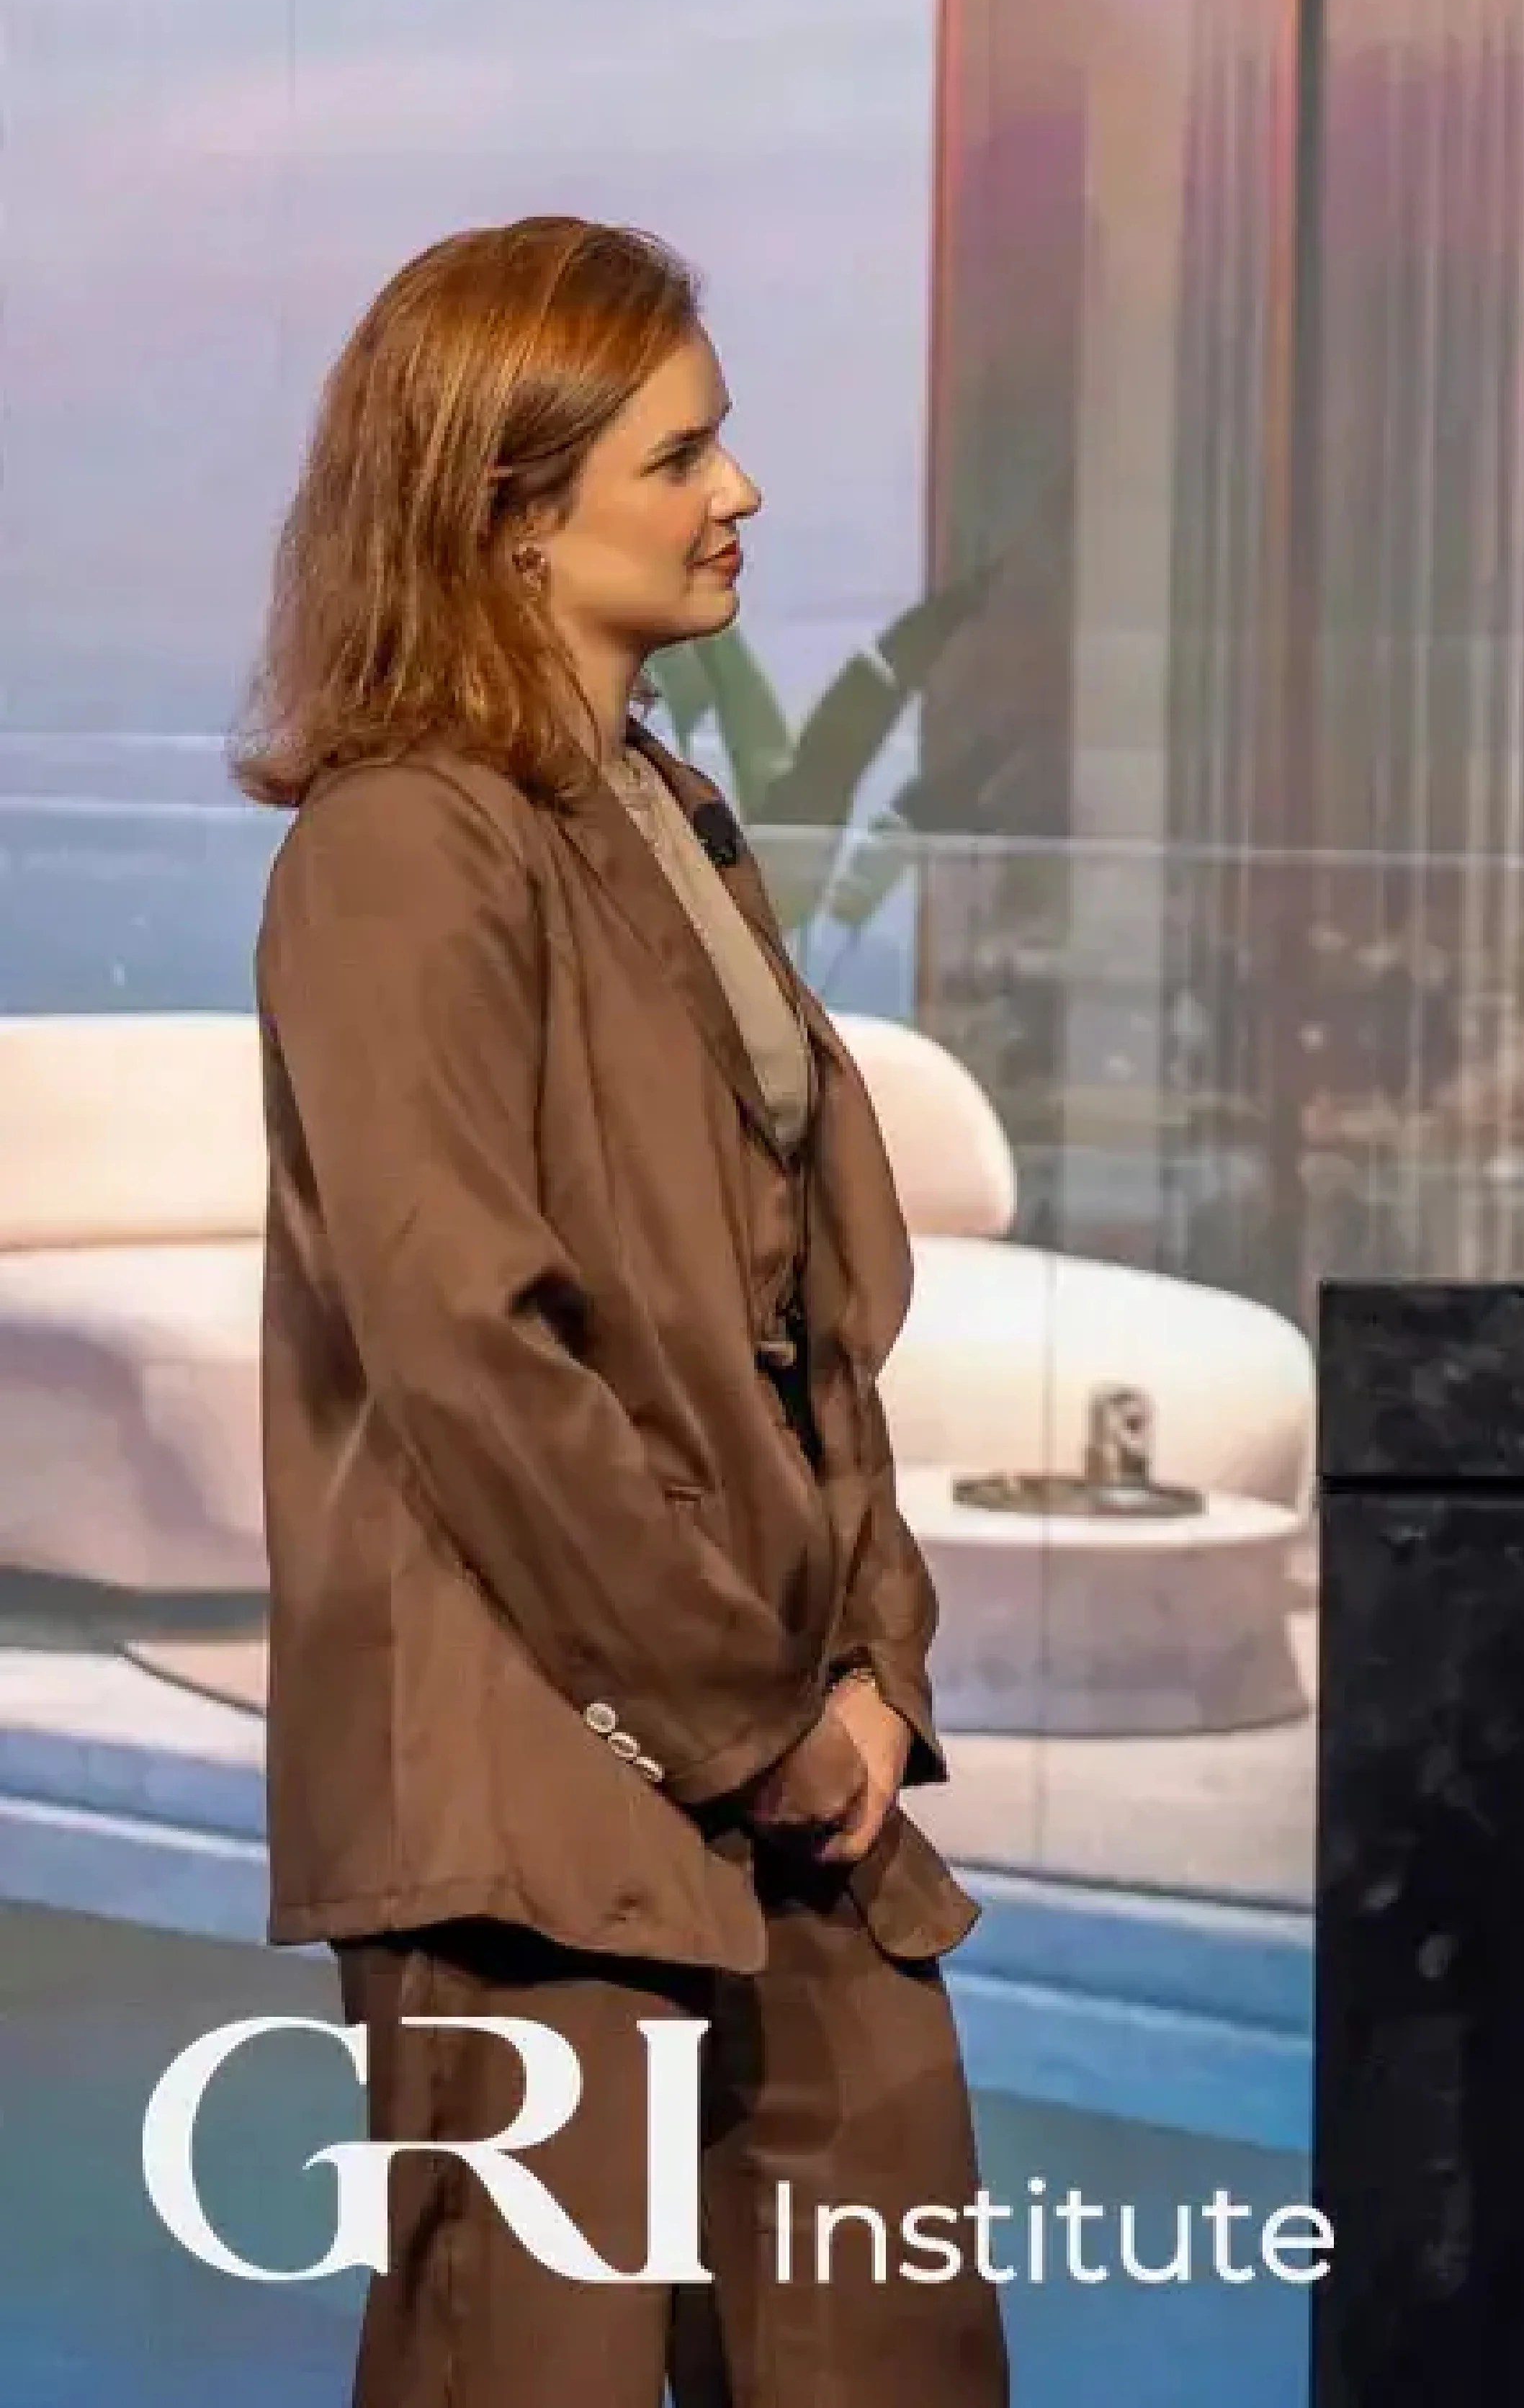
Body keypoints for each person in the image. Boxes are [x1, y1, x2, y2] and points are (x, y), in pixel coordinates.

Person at [236, 215, 1007, 2404]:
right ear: (505, 507)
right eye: (677, 456)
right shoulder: (402, 849)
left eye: (717, 442)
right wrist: (750, 1716)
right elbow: (473, 1351)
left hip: (793, 1774)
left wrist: (868, 1666)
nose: (736, 490)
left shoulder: (667, 817)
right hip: (541, 1797)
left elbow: (803, 1320)